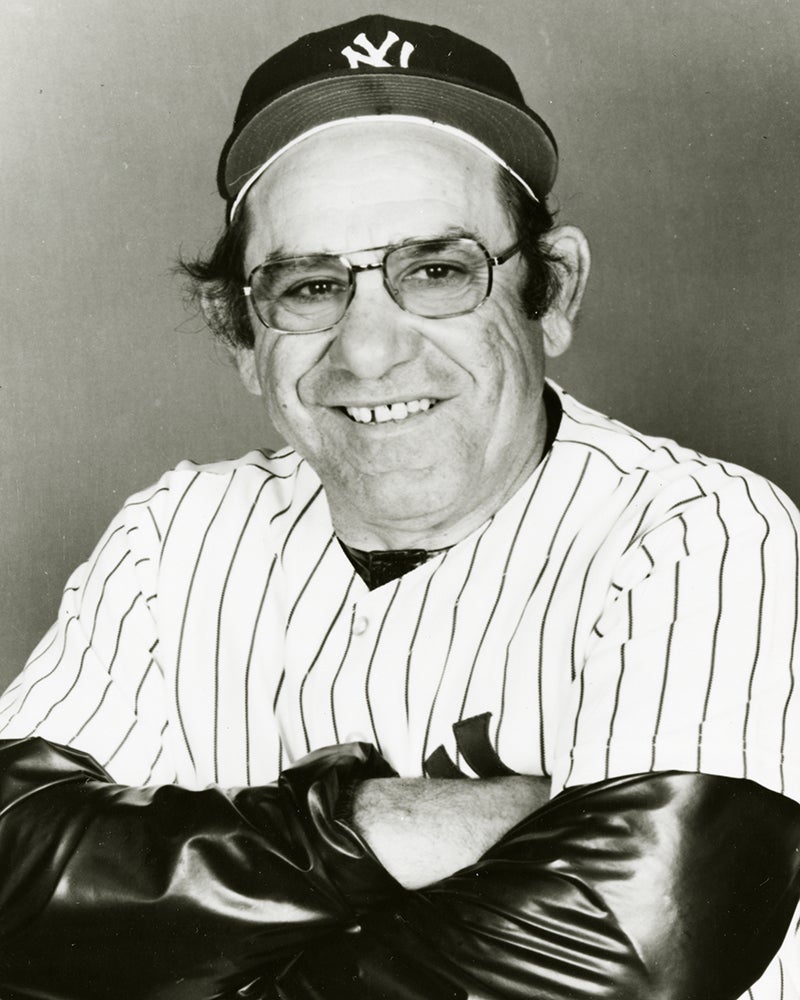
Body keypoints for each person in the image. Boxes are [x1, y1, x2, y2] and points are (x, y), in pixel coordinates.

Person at [1, 12, 799, 1000]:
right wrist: (385, 824)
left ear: (550, 293)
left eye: (437, 271)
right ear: (241, 333)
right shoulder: (175, 541)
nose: (368, 349)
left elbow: (626, 952)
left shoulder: (695, 531)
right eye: (307, 286)